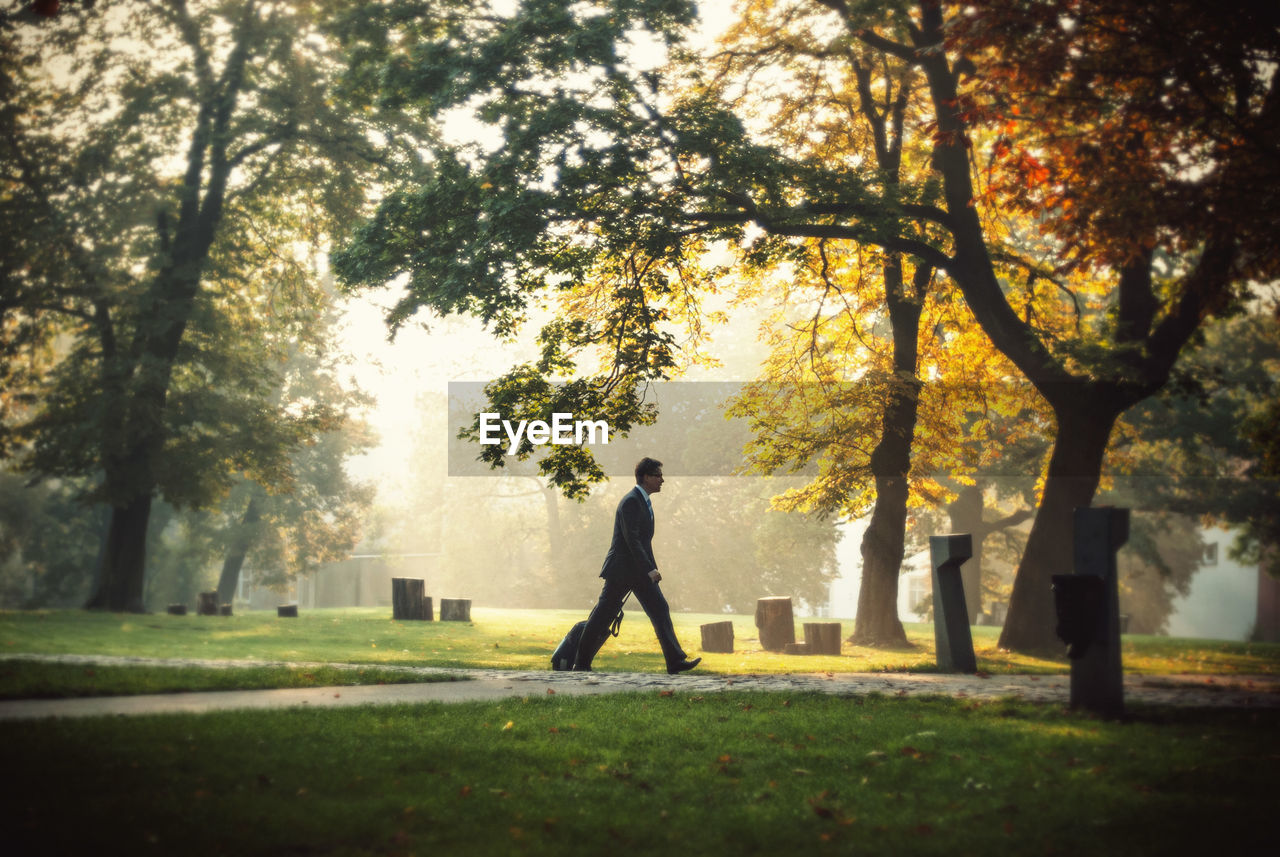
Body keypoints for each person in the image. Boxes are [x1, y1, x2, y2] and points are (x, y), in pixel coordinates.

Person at [572, 457, 701, 674]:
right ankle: (580, 664)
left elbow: (643, 541)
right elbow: (631, 540)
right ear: (645, 477)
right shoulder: (631, 502)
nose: (662, 480)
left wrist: (650, 567)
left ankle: (675, 661)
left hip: (638, 571)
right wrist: (649, 568)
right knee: (602, 616)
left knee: (660, 609)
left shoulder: (642, 501)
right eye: (658, 475)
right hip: (622, 571)